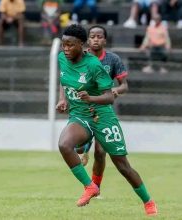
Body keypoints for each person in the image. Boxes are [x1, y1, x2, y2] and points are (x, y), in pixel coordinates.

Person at [56, 24, 157, 215]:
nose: (66, 49)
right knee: (64, 145)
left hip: (102, 116)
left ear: (81, 44)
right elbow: (64, 79)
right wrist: (63, 99)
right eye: (63, 45)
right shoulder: (62, 58)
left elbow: (109, 97)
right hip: (80, 114)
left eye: (70, 45)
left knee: (122, 165)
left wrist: (90, 98)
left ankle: (148, 201)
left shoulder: (94, 65)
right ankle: (90, 186)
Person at [75, 25, 129, 192]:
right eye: (92, 36)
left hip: (103, 109)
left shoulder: (112, 60)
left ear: (104, 40)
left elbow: (124, 85)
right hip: (82, 108)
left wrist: (116, 90)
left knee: (101, 151)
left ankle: (94, 187)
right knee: (77, 146)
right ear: (87, 40)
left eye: (99, 36)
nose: (96, 39)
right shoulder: (80, 58)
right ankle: (83, 148)